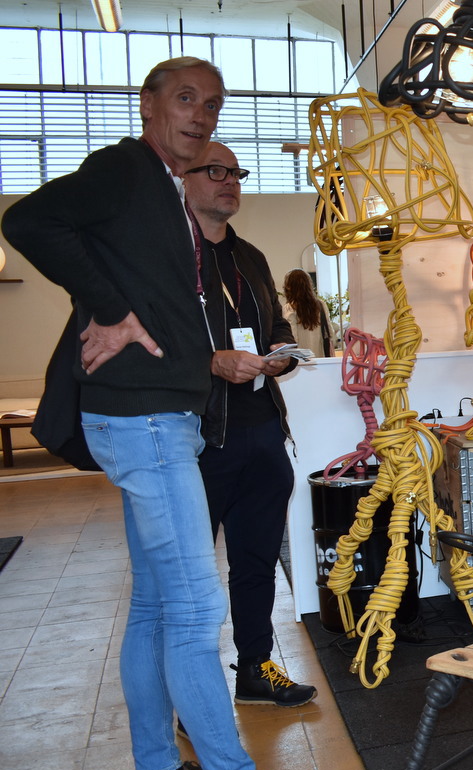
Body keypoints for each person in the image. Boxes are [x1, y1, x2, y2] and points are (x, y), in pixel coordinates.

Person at [1, 57, 344, 770]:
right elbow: (29, 223)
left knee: (159, 608)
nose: (200, 114)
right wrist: (109, 308)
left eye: (212, 104)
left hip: (161, 417)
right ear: (149, 104)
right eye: (185, 98)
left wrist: (140, 319)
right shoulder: (128, 169)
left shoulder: (166, 198)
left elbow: (165, 304)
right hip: (147, 420)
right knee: (193, 610)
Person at [185, 142, 317, 708]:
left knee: (257, 562)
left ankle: (256, 671)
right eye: (215, 171)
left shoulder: (251, 258)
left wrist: (282, 355)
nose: (229, 181)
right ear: (184, 177)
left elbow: (277, 326)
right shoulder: (170, 257)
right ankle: (192, 694)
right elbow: (151, 348)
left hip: (262, 429)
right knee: (189, 578)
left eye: (236, 172)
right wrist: (211, 362)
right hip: (196, 438)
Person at [281, 268, 335, 358]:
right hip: (320, 358)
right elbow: (330, 332)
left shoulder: (289, 308)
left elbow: (292, 338)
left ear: (289, 287)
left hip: (301, 360)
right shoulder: (321, 305)